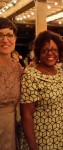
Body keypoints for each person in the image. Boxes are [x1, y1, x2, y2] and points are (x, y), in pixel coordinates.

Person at [19, 30, 63, 150]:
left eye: (54, 49)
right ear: (38, 52)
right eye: (45, 50)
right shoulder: (31, 76)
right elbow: (26, 115)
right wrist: (33, 147)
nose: (50, 53)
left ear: (59, 51)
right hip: (43, 139)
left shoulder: (60, 71)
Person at [0, 17, 23, 150]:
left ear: (15, 39)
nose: (5, 40)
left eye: (9, 35)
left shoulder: (17, 68)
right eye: (0, 35)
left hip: (13, 128)